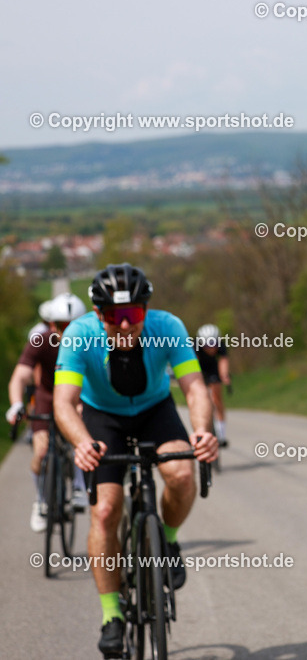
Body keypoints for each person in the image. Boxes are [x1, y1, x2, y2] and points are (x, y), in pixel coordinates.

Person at [53, 263, 218, 658]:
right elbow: (63, 403)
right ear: (98, 315)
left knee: (180, 472)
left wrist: (202, 431)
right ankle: (112, 614)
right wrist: (80, 442)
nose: (125, 326)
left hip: (154, 411)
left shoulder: (169, 327)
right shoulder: (78, 336)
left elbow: (194, 389)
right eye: (114, 317)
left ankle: (170, 543)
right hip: (102, 418)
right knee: (106, 510)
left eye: (133, 315)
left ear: (146, 310)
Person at [6, 293, 89, 531]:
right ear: (51, 325)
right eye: (61, 325)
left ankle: (79, 486)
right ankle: (41, 501)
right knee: (41, 452)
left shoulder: (90, 341)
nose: (66, 331)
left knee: (80, 441)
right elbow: (20, 376)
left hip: (77, 397)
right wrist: (15, 403)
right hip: (47, 398)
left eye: (73, 325)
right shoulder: (40, 341)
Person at [195, 323, 231, 448]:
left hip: (213, 369)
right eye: (207, 345)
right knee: (200, 397)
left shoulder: (221, 346)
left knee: (217, 399)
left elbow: (223, 361)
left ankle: (221, 434)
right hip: (199, 369)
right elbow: (193, 365)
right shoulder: (195, 346)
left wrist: (225, 375)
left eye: (213, 344)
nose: (211, 348)